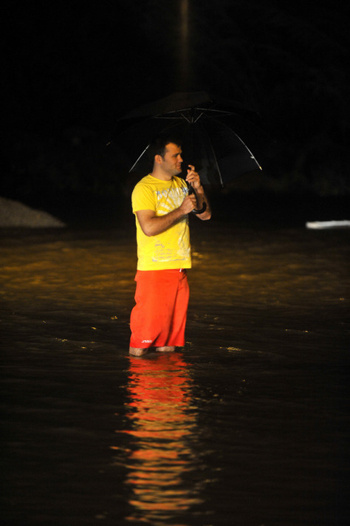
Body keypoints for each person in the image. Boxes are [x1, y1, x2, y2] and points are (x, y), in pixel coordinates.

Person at [129, 135, 211, 356]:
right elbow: (149, 228)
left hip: (179, 270)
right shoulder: (144, 188)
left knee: (170, 344)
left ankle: (168, 389)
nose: (181, 160)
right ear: (158, 158)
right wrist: (181, 210)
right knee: (142, 342)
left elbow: (205, 215)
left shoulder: (181, 185)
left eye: (181, 155)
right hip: (154, 271)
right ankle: (139, 387)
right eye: (175, 155)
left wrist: (198, 188)